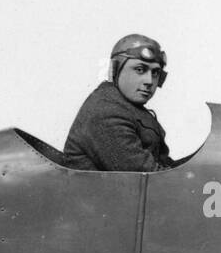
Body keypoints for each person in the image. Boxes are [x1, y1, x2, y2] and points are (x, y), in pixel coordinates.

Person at [62, 34, 176, 172]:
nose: (149, 81)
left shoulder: (128, 107)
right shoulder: (106, 112)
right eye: (140, 70)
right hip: (102, 193)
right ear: (116, 69)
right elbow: (145, 176)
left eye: (155, 73)